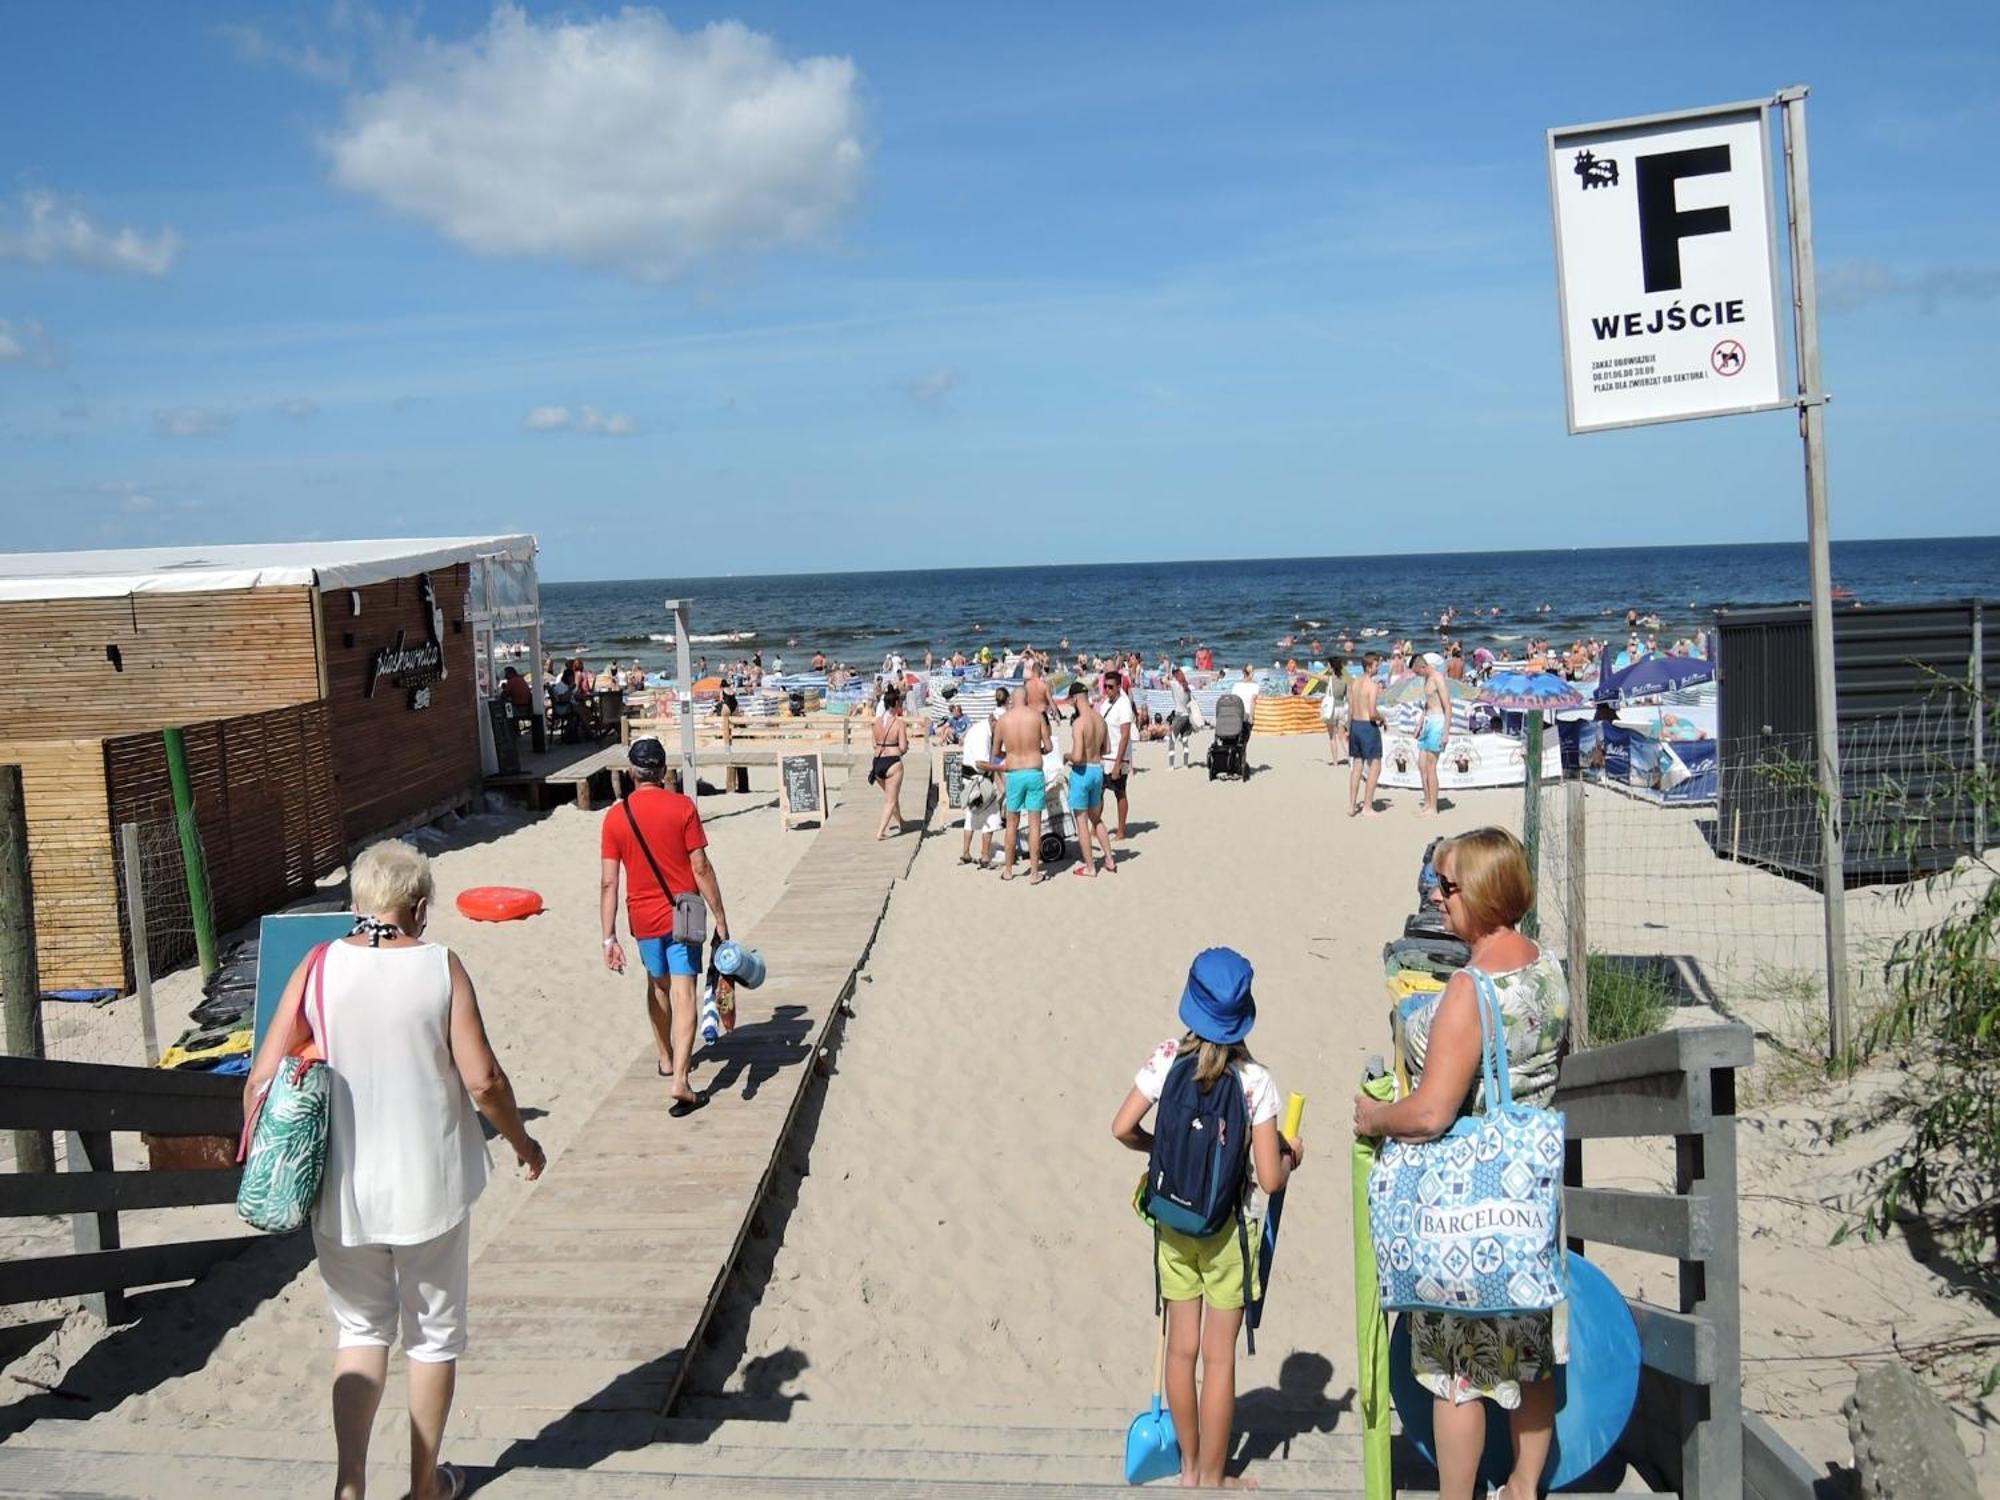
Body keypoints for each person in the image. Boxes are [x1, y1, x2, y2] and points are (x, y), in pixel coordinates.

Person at [244, 840, 545, 1500]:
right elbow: (484, 1080)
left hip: (341, 1193)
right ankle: (421, 1486)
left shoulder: (318, 966)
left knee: (359, 1332)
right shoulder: (440, 967)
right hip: (428, 1187)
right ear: (421, 906)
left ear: (357, 903)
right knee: (432, 1336)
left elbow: (261, 1080)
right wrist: (523, 1143)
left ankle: (349, 1485)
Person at [1351, 829, 1569, 1500]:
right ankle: (1525, 1488)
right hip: (1527, 1196)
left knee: (1458, 1372)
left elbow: (1431, 1113)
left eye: (1448, 888)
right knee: (1526, 1355)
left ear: (1481, 894)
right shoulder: (1548, 967)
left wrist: (1371, 1116)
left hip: (1467, 1203)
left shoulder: (1470, 993)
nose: (1437, 900)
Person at [1112, 948, 1303, 1491]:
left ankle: (1189, 1469)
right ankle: (1215, 1479)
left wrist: (1160, 1153)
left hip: (1172, 1221)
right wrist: (1292, 1155)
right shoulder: (1255, 1081)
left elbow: (1122, 1126)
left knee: (1181, 1349)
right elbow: (1269, 1179)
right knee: (1218, 1361)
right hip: (1227, 1233)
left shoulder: (1167, 1058)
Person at [601, 738, 732, 1116]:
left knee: (657, 984)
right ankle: (680, 1080)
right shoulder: (682, 808)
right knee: (684, 991)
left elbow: (609, 882)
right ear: (663, 772)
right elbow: (701, 867)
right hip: (684, 911)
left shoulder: (615, 816)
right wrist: (720, 917)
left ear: (631, 773)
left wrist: (608, 935)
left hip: (642, 917)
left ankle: (664, 1056)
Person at [993, 680, 1053, 883]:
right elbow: (1049, 746)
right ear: (1026, 699)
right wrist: (1038, 750)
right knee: (1035, 823)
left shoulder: (1003, 721)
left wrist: (1011, 752)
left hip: (1015, 774)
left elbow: (995, 753)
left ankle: (1009, 870)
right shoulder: (1036, 716)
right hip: (1034, 771)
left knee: (1012, 823)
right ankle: (1035, 873)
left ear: (1011, 700)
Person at [1063, 682, 1117, 877]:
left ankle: (1090, 867)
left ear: (1076, 698)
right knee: (1097, 818)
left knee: (1082, 822)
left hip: (1082, 772)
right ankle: (1110, 860)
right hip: (1097, 771)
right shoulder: (1100, 720)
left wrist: (1066, 756)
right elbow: (1107, 749)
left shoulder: (1079, 723)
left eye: (1071, 701)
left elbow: (1077, 757)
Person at [959, 686, 1008, 867]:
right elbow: (981, 763)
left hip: (970, 780)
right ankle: (985, 855)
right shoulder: (982, 735)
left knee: (971, 816)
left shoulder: (982, 729)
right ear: (993, 720)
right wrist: (1002, 768)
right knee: (992, 817)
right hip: (977, 781)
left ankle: (965, 853)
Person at [870, 684, 911, 840]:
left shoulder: (876, 722)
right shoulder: (899, 723)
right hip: (893, 761)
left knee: (890, 795)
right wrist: (905, 748)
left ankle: (901, 821)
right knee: (890, 800)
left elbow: (874, 744)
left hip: (878, 760)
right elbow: (902, 747)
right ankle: (880, 832)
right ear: (895, 704)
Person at [1413, 654, 1452, 817]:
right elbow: (1427, 705)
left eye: (1417, 672)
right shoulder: (1426, 679)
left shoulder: (1437, 678)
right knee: (1421, 764)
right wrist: (1419, 724)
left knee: (1430, 766)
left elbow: (1448, 706)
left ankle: (1433, 807)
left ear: (1423, 667)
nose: (1417, 675)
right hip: (1428, 721)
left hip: (1437, 722)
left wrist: (1445, 732)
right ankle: (1428, 801)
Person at [1348, 652, 1385, 816]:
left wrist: (1349, 729)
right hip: (1367, 727)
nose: (1379, 667)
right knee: (1375, 766)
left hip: (1355, 725)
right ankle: (1367, 807)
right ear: (1370, 666)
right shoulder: (1372, 685)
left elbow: (1351, 709)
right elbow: (1371, 713)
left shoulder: (1355, 683)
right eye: (1377, 665)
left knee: (1357, 766)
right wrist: (1382, 718)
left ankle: (1351, 805)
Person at [1100, 669, 1135, 841]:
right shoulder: (1105, 703)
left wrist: (1118, 764)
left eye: (1111, 687)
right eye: (1105, 686)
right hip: (1103, 756)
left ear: (1119, 687)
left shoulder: (1124, 705)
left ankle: (1121, 831)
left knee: (1119, 792)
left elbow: (1125, 735)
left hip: (1117, 756)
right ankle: (1096, 828)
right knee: (1098, 793)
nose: (1107, 690)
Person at [1320, 657, 1348, 766]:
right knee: (1343, 737)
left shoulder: (1329, 679)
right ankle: (1350, 760)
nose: (1327, 667)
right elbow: (1348, 696)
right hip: (1342, 709)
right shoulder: (1345, 680)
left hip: (1331, 710)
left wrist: (1302, 671)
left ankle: (1335, 763)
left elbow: (1314, 676)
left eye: (1328, 665)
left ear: (1332, 667)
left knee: (1332, 737)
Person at [1166, 665, 1195, 770]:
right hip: (1187, 716)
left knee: (1172, 739)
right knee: (1185, 740)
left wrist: (1168, 671)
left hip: (1179, 716)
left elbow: (1163, 680)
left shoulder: (1175, 684)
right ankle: (1186, 764)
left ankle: (1171, 766)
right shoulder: (1187, 688)